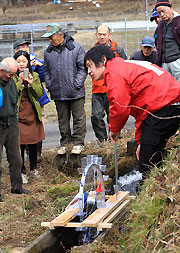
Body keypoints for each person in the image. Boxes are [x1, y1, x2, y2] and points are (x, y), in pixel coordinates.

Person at [84, 45, 180, 177]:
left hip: (166, 105)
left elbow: (119, 108)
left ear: (103, 59)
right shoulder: (123, 66)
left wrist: (114, 129)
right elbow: (142, 113)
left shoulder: (114, 73)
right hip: (166, 104)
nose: (89, 71)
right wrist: (140, 141)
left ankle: (150, 188)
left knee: (148, 160)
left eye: (90, 65)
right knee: (148, 149)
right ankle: (156, 181)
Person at [42, 23, 86, 155]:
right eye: (48, 38)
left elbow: (82, 68)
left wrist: (76, 84)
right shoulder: (48, 52)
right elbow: (46, 71)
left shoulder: (76, 48)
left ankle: (78, 143)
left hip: (75, 92)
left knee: (79, 118)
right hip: (58, 92)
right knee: (63, 119)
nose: (50, 40)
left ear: (60, 35)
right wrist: (50, 84)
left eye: (51, 37)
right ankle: (65, 142)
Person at [14, 39, 50, 161]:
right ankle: (22, 164)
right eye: (21, 47)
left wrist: (39, 69)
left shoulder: (36, 63)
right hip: (19, 108)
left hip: (34, 103)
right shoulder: (11, 70)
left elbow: (43, 81)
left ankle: (36, 158)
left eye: (26, 47)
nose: (25, 49)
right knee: (20, 138)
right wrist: (19, 82)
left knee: (36, 132)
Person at [91, 24, 127, 142]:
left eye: (104, 34)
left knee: (113, 115)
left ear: (109, 35)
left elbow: (125, 66)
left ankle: (115, 138)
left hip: (112, 88)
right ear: (96, 35)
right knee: (96, 116)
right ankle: (102, 140)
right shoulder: (92, 51)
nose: (102, 37)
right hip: (97, 89)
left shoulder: (117, 50)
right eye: (99, 34)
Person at [0, 57, 29, 201]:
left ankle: (17, 187)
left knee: (16, 157)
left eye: (14, 74)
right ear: (1, 71)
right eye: (10, 74)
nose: (12, 77)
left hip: (11, 122)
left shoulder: (12, 81)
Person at [13, 50, 45, 183]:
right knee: (19, 143)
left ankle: (33, 168)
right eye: (18, 61)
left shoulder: (35, 75)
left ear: (28, 63)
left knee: (33, 142)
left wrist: (31, 84)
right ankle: (21, 171)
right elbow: (12, 94)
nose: (21, 64)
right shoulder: (11, 77)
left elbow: (39, 94)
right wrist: (20, 83)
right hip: (18, 112)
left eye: (24, 61)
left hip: (31, 111)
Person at [155, 0, 180, 82]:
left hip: (177, 61)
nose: (161, 15)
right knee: (167, 88)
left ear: (171, 8)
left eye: (163, 11)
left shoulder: (178, 21)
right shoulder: (160, 25)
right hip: (164, 63)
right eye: (159, 13)